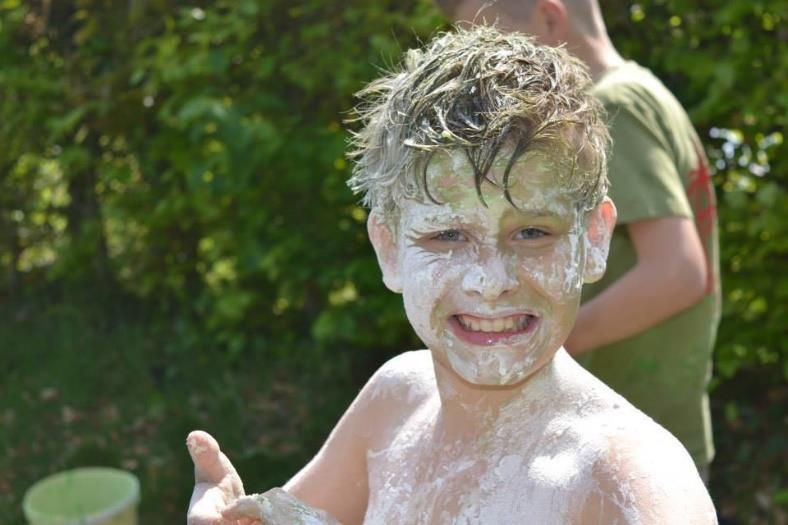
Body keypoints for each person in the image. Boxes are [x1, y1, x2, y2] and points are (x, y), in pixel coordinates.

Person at [186, 26, 717, 524]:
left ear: (594, 240)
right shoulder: (393, 403)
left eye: (532, 233)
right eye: (446, 236)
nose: (490, 281)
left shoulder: (630, 486)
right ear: (389, 249)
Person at [433, 0, 721, 476]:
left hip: (627, 447)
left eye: (494, 39)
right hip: (636, 433)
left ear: (549, 17)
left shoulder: (611, 108)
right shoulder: (640, 89)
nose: (484, 62)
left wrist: (528, 346)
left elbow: (678, 272)